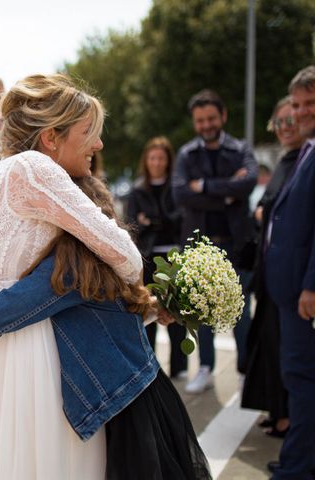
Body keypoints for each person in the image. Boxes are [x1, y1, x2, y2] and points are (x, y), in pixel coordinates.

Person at [0, 175, 212, 480]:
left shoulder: (72, 263)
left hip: (119, 398)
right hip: (144, 385)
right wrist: (154, 309)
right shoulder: (111, 258)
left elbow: (17, 304)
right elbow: (107, 317)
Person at [0, 74, 143, 479]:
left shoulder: (2, 176)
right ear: (51, 138)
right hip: (34, 353)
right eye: (88, 132)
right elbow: (126, 256)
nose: (98, 144)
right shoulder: (34, 169)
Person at [172, 89, 258, 394]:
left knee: (242, 311)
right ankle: (205, 368)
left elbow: (248, 184)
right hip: (200, 247)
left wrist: (205, 187)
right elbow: (181, 194)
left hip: (237, 244)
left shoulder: (241, 149)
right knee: (202, 311)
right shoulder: (186, 154)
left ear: (223, 116)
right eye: (200, 120)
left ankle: (246, 370)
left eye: (211, 118)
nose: (206, 125)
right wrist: (227, 194)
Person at [241, 96, 305, 439]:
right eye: (278, 122)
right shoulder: (286, 161)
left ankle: (288, 418)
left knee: (286, 348)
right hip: (270, 271)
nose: (285, 128)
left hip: (289, 275)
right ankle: (277, 410)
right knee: (267, 342)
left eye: (289, 120)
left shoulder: (304, 160)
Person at [265, 65, 315, 480]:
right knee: (297, 377)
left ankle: (298, 468)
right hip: (290, 287)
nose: (300, 113)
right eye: (296, 104)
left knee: (301, 378)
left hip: (303, 290)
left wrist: (311, 286)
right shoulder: (308, 149)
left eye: (309, 103)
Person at [126, 136, 187, 378]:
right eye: (152, 157)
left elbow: (179, 219)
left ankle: (180, 367)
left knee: (177, 312)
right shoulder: (138, 190)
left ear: (168, 160)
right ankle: (150, 365)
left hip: (174, 255)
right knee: (149, 311)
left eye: (161, 157)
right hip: (148, 258)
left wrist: (151, 221)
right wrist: (154, 222)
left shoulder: (176, 187)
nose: (156, 162)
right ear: (146, 160)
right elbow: (133, 225)